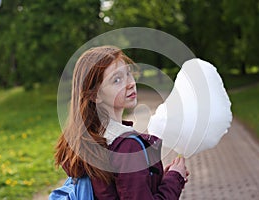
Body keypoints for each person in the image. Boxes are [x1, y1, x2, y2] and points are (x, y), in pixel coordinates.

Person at [54, 45, 190, 199]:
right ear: (95, 96)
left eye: (128, 73)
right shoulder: (127, 148)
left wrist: (158, 180)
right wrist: (174, 179)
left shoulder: (90, 139)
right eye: (117, 80)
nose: (130, 83)